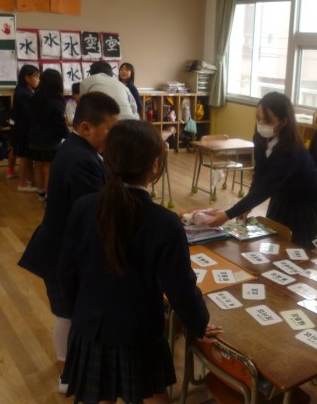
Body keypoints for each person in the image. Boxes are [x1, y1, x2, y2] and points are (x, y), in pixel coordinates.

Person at [58, 120, 222, 404]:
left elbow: (66, 273)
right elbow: (181, 288)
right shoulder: (164, 222)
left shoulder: (83, 207)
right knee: (154, 395)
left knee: (99, 395)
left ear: (107, 159)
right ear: (156, 165)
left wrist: (81, 315)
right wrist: (199, 324)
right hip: (139, 332)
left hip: (90, 326)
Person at [18, 92, 121, 393]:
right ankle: (67, 375)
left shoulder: (78, 149)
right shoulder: (81, 160)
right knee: (68, 315)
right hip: (62, 254)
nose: (114, 137)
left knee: (69, 313)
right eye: (110, 129)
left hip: (61, 248)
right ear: (86, 127)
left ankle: (68, 368)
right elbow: (95, 215)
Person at [206, 92, 317, 248]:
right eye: (258, 118)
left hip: (306, 203)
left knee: (299, 248)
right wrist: (247, 206)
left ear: (284, 121)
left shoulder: (292, 151)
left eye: (268, 120)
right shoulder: (260, 138)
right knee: (276, 243)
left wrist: (228, 214)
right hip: (283, 196)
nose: (261, 124)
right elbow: (259, 174)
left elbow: (267, 187)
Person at [27, 69, 70, 203]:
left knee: (39, 167)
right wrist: (69, 136)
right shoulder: (56, 102)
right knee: (49, 169)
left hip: (34, 138)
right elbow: (60, 125)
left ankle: (41, 194)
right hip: (50, 141)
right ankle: (48, 198)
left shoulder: (34, 98)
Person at [10, 64, 40, 191]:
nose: (38, 80)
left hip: (21, 128)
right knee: (25, 157)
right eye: (36, 77)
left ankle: (29, 180)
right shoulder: (25, 93)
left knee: (27, 156)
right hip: (24, 129)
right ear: (27, 78)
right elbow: (29, 114)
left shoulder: (22, 89)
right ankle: (22, 183)